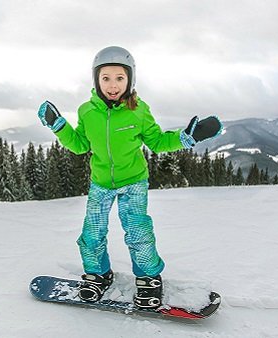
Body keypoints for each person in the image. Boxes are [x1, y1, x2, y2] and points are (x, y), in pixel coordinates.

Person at [38, 46, 221, 309]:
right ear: (96, 80)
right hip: (100, 183)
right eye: (106, 78)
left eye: (120, 78)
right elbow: (79, 145)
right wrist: (59, 126)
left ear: (130, 80)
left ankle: (148, 278)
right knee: (92, 233)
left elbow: (157, 142)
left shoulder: (139, 111)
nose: (113, 85)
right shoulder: (87, 112)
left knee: (138, 231)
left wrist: (185, 137)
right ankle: (98, 275)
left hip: (134, 182)